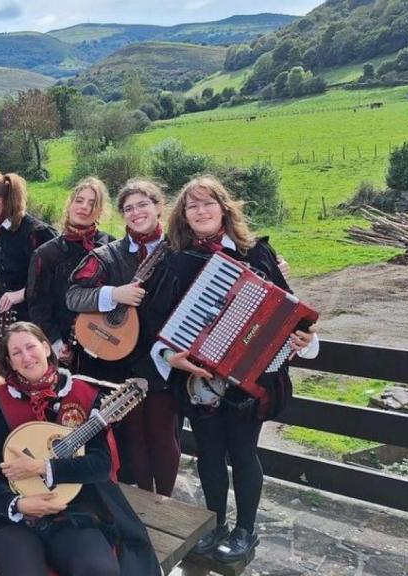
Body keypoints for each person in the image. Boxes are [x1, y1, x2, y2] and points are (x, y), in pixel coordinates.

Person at [157, 176, 319, 562]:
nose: (200, 211)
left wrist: (306, 341)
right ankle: (215, 526)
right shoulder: (177, 261)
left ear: (223, 208)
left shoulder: (258, 254)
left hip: (253, 378)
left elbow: (293, 314)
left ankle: (246, 529)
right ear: (184, 216)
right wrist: (169, 358)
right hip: (201, 379)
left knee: (244, 453)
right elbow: (156, 323)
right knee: (209, 454)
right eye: (191, 206)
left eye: (207, 203)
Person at [0, 322, 162, 576]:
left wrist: (44, 467)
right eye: (16, 353)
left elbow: (101, 465)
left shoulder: (81, 393)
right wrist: (18, 504)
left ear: (45, 347)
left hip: (72, 513)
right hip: (13, 519)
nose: (26, 357)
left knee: (100, 570)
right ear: (10, 361)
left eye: (31, 347)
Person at [65, 179, 180, 495]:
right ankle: (144, 498)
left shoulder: (178, 250)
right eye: (129, 208)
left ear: (158, 207)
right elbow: (73, 296)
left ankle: (166, 503)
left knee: (162, 432)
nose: (136, 212)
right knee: (132, 435)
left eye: (143, 204)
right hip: (120, 358)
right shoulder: (107, 256)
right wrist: (113, 294)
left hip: (164, 357)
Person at [27, 177, 113, 369]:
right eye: (79, 200)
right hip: (66, 346)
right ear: (70, 204)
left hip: (106, 341)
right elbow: (38, 305)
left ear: (100, 211)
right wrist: (56, 343)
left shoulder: (111, 246)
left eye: (93, 203)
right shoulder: (46, 253)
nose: (84, 207)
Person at [0, 169, 57, 332]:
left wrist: (21, 294)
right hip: (5, 315)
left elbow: (54, 278)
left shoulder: (36, 233)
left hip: (37, 318)